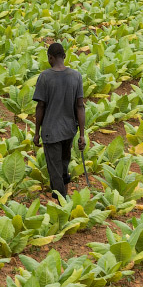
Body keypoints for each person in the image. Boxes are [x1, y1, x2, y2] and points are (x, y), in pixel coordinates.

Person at [32, 42, 86, 200]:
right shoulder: (76, 76)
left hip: (51, 132)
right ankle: (65, 200)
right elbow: (80, 106)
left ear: (50, 58)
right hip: (69, 131)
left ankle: (63, 204)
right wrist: (82, 135)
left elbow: (40, 107)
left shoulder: (45, 77)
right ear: (64, 56)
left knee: (55, 170)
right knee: (63, 165)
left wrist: (37, 133)